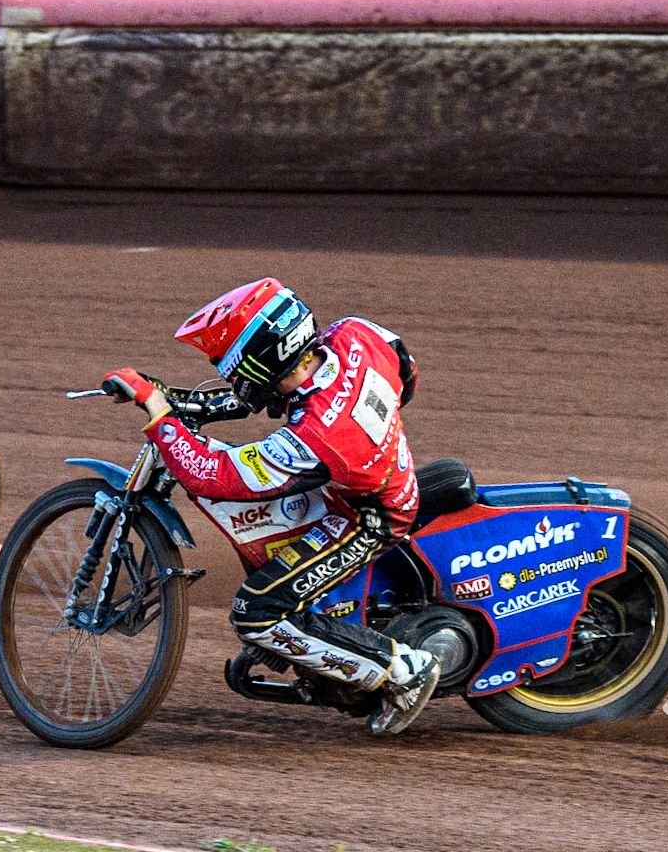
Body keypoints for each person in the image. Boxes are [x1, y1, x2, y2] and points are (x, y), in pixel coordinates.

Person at [104, 278, 441, 735]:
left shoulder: (315, 436)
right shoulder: (353, 333)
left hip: (369, 518)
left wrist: (162, 418)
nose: (226, 374)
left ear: (259, 359)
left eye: (226, 364)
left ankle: (402, 672)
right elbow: (406, 370)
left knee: (256, 611)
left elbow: (212, 475)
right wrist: (175, 399)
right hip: (366, 477)